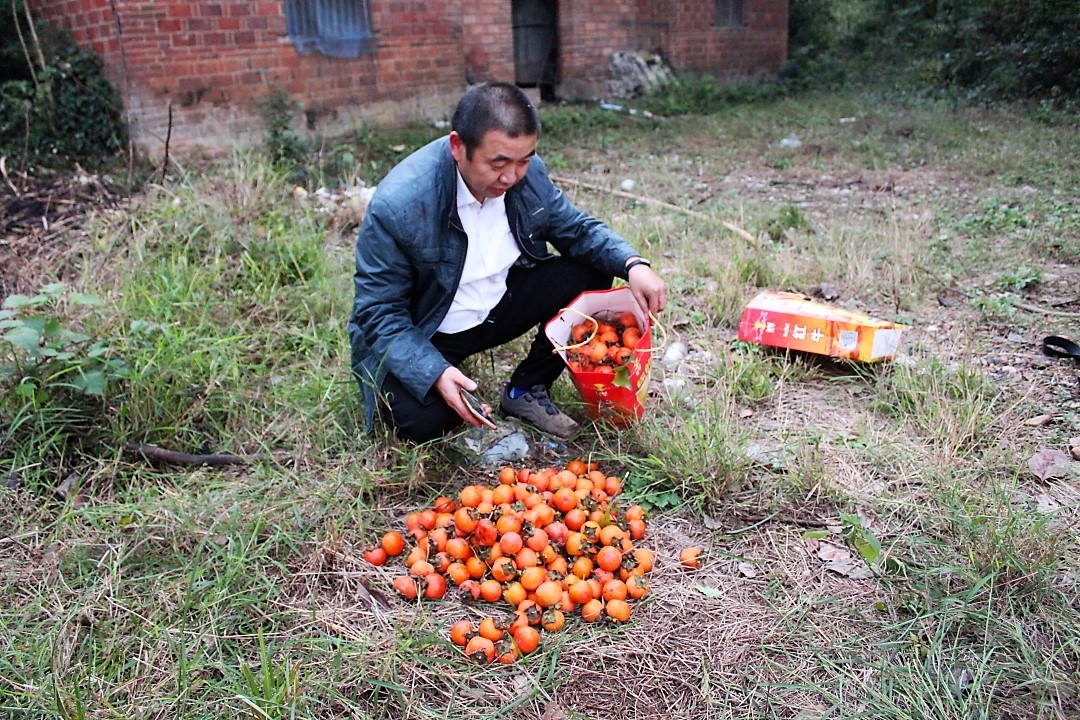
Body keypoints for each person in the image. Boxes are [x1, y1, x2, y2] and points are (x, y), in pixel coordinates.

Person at [348, 82, 665, 443]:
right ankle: (443, 377)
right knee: (424, 423)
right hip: (429, 328)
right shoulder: (400, 205)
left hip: (497, 308)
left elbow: (575, 229)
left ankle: (526, 390)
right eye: (498, 162)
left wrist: (633, 263)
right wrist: (433, 372)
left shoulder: (526, 175)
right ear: (458, 146)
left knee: (592, 269)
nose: (511, 176)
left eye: (524, 160)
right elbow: (379, 313)